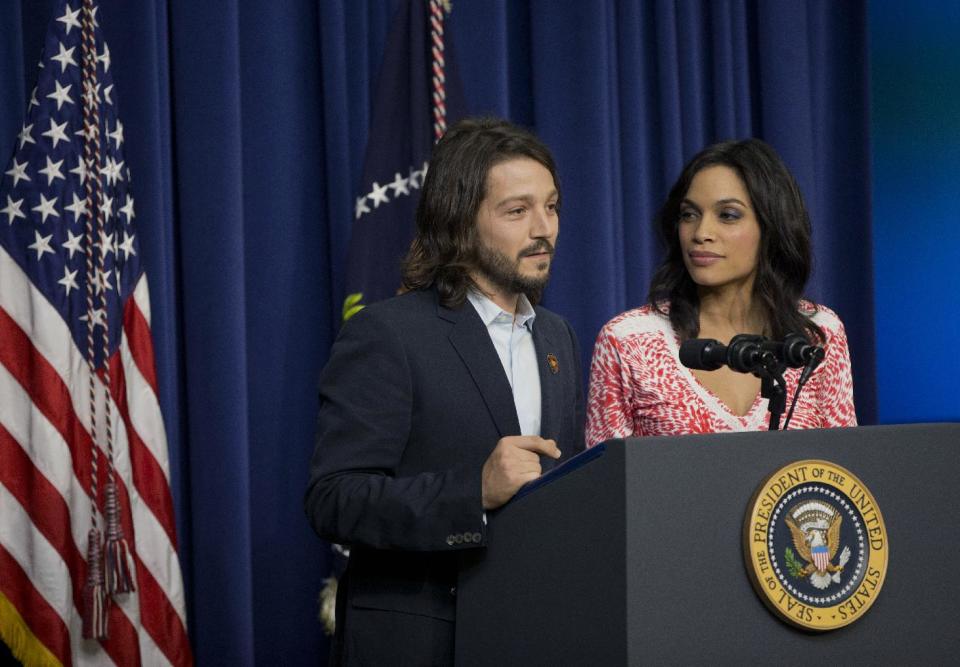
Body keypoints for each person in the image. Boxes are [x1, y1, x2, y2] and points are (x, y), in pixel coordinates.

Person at [305, 117, 585, 665]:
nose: (543, 228)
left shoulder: (558, 336)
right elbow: (332, 499)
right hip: (420, 643)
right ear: (460, 222)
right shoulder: (389, 332)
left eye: (551, 207)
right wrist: (472, 491)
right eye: (517, 210)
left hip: (531, 631)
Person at [586, 139, 856, 444]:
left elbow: (844, 473)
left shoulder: (819, 333)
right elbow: (604, 486)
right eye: (689, 215)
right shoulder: (628, 341)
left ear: (772, 226)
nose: (701, 234)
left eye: (727, 215)